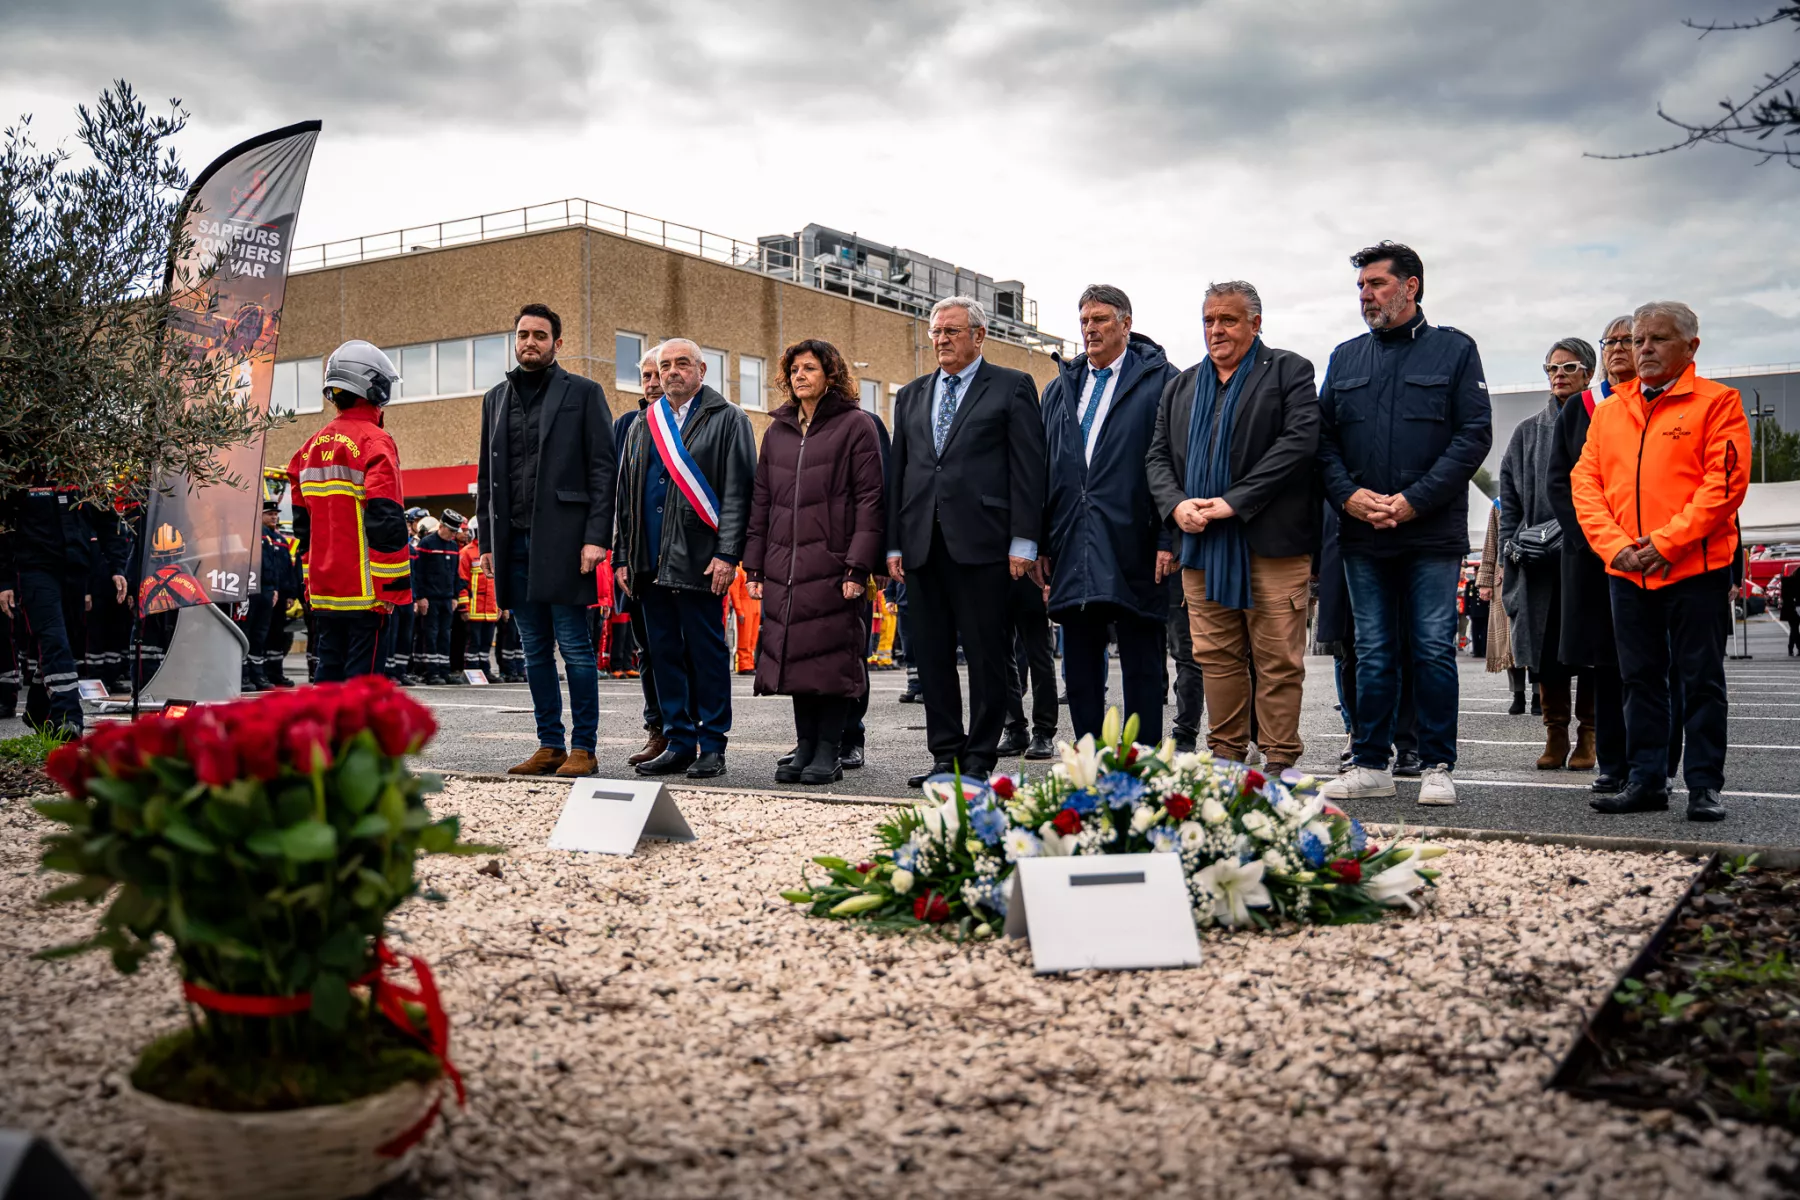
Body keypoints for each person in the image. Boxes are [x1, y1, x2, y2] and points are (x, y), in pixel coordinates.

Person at [1316, 242, 1491, 806]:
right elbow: (1322, 442)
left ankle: (1437, 764)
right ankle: (1371, 764)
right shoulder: (1345, 357)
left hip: (1430, 534)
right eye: (1361, 286)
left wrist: (1416, 500)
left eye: (1377, 284)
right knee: (1372, 650)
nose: (1366, 295)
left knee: (1432, 647)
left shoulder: (1455, 350)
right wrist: (1348, 497)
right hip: (1363, 533)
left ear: (1411, 286)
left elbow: (1473, 436)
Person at [1572, 301, 1749, 823]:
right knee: (1639, 679)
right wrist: (1616, 547)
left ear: (1691, 347)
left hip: (1697, 570)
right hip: (1628, 570)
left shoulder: (1719, 403)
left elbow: (1724, 486)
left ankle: (1704, 786)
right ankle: (1646, 780)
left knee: (1701, 680)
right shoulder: (1610, 411)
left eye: (1657, 339)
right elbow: (1586, 484)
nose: (1643, 349)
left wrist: (1666, 543)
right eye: (1637, 339)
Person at [1147, 280, 1320, 773]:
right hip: (1202, 547)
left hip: (1272, 546)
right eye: (1209, 320)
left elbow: (1298, 444)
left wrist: (1233, 502)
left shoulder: (1289, 371)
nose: (1216, 329)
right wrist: (1176, 505)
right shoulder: (1180, 386)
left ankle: (1280, 761)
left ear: (1255, 324)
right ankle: (1226, 757)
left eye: (1228, 319)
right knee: (1216, 659)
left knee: (1277, 662)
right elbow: (1158, 457)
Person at [886, 297, 1047, 787]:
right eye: (936, 332)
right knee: (932, 657)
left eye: (952, 331)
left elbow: (1029, 468)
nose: (941, 340)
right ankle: (945, 757)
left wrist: (1025, 540)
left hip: (985, 545)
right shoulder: (911, 394)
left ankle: (978, 760)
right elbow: (900, 474)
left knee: (985, 656)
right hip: (922, 545)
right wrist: (894, 544)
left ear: (979, 335)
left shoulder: (1012, 386)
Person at [476, 303, 618, 779]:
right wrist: (488, 542)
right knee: (533, 649)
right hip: (511, 542)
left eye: (539, 335)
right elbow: (487, 475)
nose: (530, 343)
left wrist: (596, 537)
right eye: (523, 335)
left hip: (566, 542)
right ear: (515, 341)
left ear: (557, 343)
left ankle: (584, 748)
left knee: (574, 646)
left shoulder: (584, 392)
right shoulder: (495, 399)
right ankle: (549, 744)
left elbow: (603, 470)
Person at [1039, 284, 1180, 750]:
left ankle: (1143, 762)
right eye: (1084, 321)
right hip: (1072, 539)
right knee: (1079, 659)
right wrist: (1040, 541)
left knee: (1142, 656)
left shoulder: (1163, 381)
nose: (1090, 329)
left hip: (1136, 539)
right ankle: (1088, 758)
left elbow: (1175, 464)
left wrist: (1168, 537)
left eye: (1100, 319)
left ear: (1126, 324)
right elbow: (1042, 468)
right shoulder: (1060, 386)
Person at [744, 339, 886, 784]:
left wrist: (858, 566)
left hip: (835, 564)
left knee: (833, 660)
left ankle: (830, 750)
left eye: (809, 368)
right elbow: (762, 501)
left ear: (831, 374)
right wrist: (754, 567)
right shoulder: (778, 431)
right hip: (785, 565)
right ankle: (805, 746)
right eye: (794, 370)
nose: (799, 376)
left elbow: (871, 500)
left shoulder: (856, 425)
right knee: (796, 657)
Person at [614, 338, 756, 779]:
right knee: (663, 654)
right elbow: (626, 495)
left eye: (682, 364)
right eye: (665, 366)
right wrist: (623, 555)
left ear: (701, 370)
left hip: (700, 560)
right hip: (648, 560)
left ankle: (712, 744)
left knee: (706, 654)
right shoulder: (644, 422)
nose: (672, 372)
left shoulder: (728, 418)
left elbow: (739, 491)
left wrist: (728, 553)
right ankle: (678, 740)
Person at [1501, 337, 1601, 772]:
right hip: (1540, 564)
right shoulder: (1527, 431)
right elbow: (1509, 496)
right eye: (1551, 368)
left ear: (1589, 374)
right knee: (1546, 651)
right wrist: (1512, 544)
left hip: (1590, 557)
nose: (1558, 374)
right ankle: (1555, 732)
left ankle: (1589, 734)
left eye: (1568, 367)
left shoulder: (1602, 420)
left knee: (1593, 648)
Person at [290, 341, 412, 682]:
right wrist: (391, 587)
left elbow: (303, 528)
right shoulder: (375, 441)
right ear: (371, 385)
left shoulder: (308, 449)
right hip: (365, 590)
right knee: (363, 683)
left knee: (328, 672)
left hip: (325, 588)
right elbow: (386, 517)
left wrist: (310, 581)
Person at [0, 485, 126, 735]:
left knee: (65, 642)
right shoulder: (23, 477)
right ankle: (67, 716)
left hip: (75, 570)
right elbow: (3, 528)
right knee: (54, 639)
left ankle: (37, 709)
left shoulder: (83, 477)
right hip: (36, 571)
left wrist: (117, 568)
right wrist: (5, 581)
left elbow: (108, 522)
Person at [616, 344, 666, 764]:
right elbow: (615, 497)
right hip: (638, 560)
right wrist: (620, 557)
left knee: (686, 650)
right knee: (648, 651)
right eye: (645, 376)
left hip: (684, 560)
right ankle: (658, 729)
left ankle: (693, 730)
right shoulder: (626, 426)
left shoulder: (698, 422)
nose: (651, 383)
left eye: (657, 374)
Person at [412, 515, 460, 684]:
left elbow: (455, 573)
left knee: (445, 635)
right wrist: (420, 597)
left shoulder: (453, 546)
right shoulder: (427, 544)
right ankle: (431, 672)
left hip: (447, 598)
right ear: (441, 526)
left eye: (455, 531)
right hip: (430, 598)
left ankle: (444, 671)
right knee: (430, 635)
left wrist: (455, 596)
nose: (453, 534)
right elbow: (418, 573)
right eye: (451, 531)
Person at [458, 515, 498, 679]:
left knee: (486, 642)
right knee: (473, 642)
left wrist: (499, 606)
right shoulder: (466, 553)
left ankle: (485, 670)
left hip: (490, 609)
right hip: (474, 608)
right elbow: (462, 582)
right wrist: (464, 607)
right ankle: (472, 671)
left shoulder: (494, 552)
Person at [1781, 562, 1800, 656]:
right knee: (1794, 629)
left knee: (1794, 629)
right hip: (1793, 608)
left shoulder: (1787, 583)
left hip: (1789, 609)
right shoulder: (1794, 584)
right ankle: (1797, 648)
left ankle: (1791, 648)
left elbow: (1784, 597)